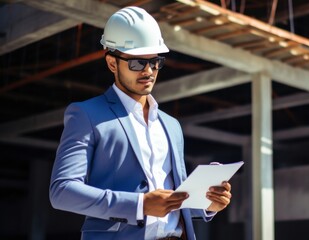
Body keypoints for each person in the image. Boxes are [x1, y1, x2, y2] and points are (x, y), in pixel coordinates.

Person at [49, 6, 232, 240]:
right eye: (137, 63)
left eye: (155, 62)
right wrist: (140, 204)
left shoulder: (171, 125)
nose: (149, 71)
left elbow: (174, 201)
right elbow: (62, 192)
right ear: (112, 63)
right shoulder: (86, 115)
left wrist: (208, 204)